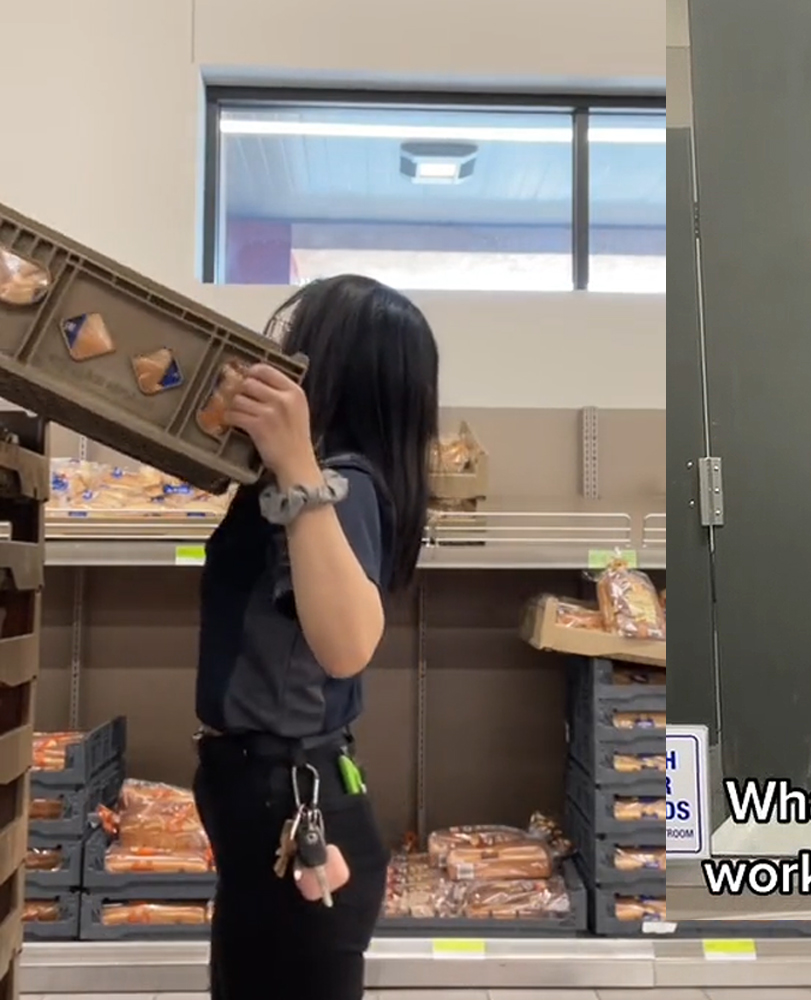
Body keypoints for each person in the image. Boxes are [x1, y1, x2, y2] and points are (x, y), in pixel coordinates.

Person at [192, 274, 440, 999]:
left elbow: (349, 643)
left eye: (297, 342)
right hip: (268, 800)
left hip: (294, 809)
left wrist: (299, 465)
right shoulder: (311, 483)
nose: (280, 356)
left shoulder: (342, 487)